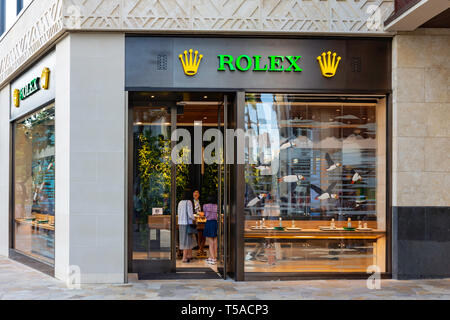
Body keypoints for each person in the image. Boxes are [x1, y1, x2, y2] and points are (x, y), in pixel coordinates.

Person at [178, 191, 197, 263]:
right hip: (187, 223)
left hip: (180, 223)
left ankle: (189, 255)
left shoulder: (180, 202)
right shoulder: (189, 202)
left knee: (185, 239)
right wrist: (195, 219)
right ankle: (184, 258)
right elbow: (190, 214)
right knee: (187, 240)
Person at [203, 195, 218, 265]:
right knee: (215, 240)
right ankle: (213, 256)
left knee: (210, 241)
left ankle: (213, 258)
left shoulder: (205, 206)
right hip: (215, 223)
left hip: (209, 223)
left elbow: (206, 215)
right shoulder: (216, 206)